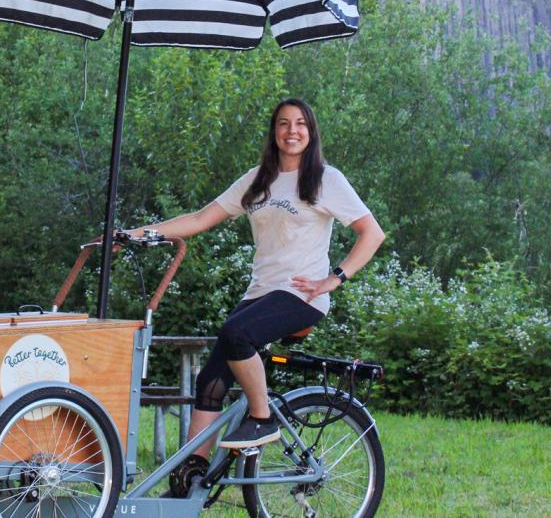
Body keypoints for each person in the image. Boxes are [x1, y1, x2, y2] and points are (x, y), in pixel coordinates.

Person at [128, 98, 385, 452]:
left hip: (300, 295)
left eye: (300, 124)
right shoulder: (257, 179)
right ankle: (192, 475)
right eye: (283, 123)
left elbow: (372, 233)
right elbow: (200, 219)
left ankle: (261, 419)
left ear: (310, 132)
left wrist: (335, 278)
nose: (291, 131)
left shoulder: (326, 179)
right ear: (273, 132)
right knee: (210, 383)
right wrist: (135, 234)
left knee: (236, 333)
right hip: (260, 293)